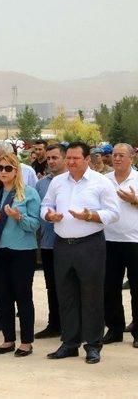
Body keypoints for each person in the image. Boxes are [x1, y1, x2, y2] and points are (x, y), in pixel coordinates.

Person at [42, 142, 120, 364]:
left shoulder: (101, 182)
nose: (71, 162)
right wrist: (49, 215)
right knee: (66, 295)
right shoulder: (57, 182)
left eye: (76, 158)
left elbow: (113, 213)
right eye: (69, 158)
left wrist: (90, 216)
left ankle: (93, 345)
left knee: (91, 295)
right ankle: (70, 343)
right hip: (63, 245)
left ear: (87, 160)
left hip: (90, 245)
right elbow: (45, 205)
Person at [0, 153, 40, 357]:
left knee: (23, 296)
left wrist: (18, 216)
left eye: (7, 168)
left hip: (22, 251)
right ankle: (8, 339)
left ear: (16, 171)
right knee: (2, 296)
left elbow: (35, 225)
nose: (3, 172)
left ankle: (26, 341)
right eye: (0, 168)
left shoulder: (29, 193)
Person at [103, 143, 138, 348]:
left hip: (134, 241)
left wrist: (135, 200)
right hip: (108, 240)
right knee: (109, 288)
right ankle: (115, 329)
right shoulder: (104, 180)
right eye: (114, 155)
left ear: (131, 158)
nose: (116, 159)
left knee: (136, 289)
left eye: (121, 155)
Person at [34, 144, 66, 339]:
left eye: (55, 158)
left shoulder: (71, 182)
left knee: (70, 286)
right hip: (47, 243)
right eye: (49, 158)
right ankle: (54, 324)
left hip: (68, 242)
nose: (51, 162)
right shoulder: (41, 185)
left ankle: (73, 326)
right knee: (52, 286)